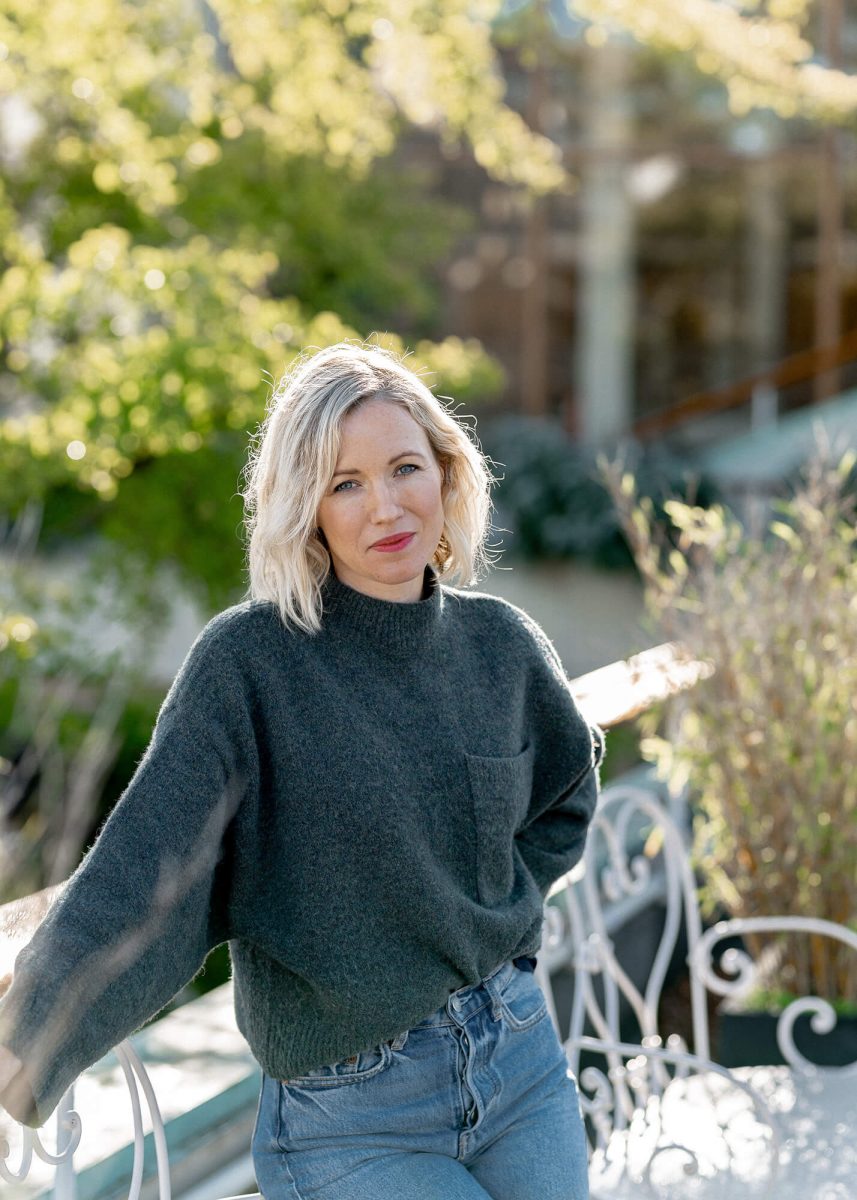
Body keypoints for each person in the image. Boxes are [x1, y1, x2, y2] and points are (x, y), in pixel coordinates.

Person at [0, 341, 605, 1199]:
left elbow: (564, 794)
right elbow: (146, 869)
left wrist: (501, 920)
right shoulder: (250, 665)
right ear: (305, 507)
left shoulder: (499, 645)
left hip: (518, 1059)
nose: (385, 507)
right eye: (342, 482)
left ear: (445, 472)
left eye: (404, 468)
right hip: (351, 1114)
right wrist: (26, 1042)